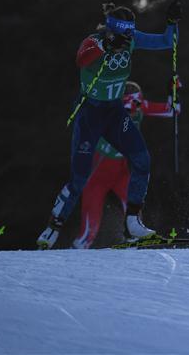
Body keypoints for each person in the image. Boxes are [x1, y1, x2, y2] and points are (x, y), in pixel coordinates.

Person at [37, 0, 181, 249]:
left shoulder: (132, 38)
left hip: (115, 115)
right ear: (111, 29)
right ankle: (54, 225)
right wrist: (105, 45)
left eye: (130, 31)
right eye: (123, 32)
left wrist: (171, 23)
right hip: (90, 115)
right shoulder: (93, 40)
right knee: (80, 178)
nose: (128, 37)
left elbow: (167, 42)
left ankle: (132, 221)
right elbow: (81, 60)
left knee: (141, 159)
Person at [72, 81, 179, 249]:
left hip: (121, 172)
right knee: (89, 230)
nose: (133, 107)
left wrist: (173, 92)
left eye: (136, 102)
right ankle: (77, 250)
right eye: (128, 103)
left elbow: (172, 110)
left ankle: (132, 236)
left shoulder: (140, 106)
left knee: (133, 207)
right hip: (97, 175)